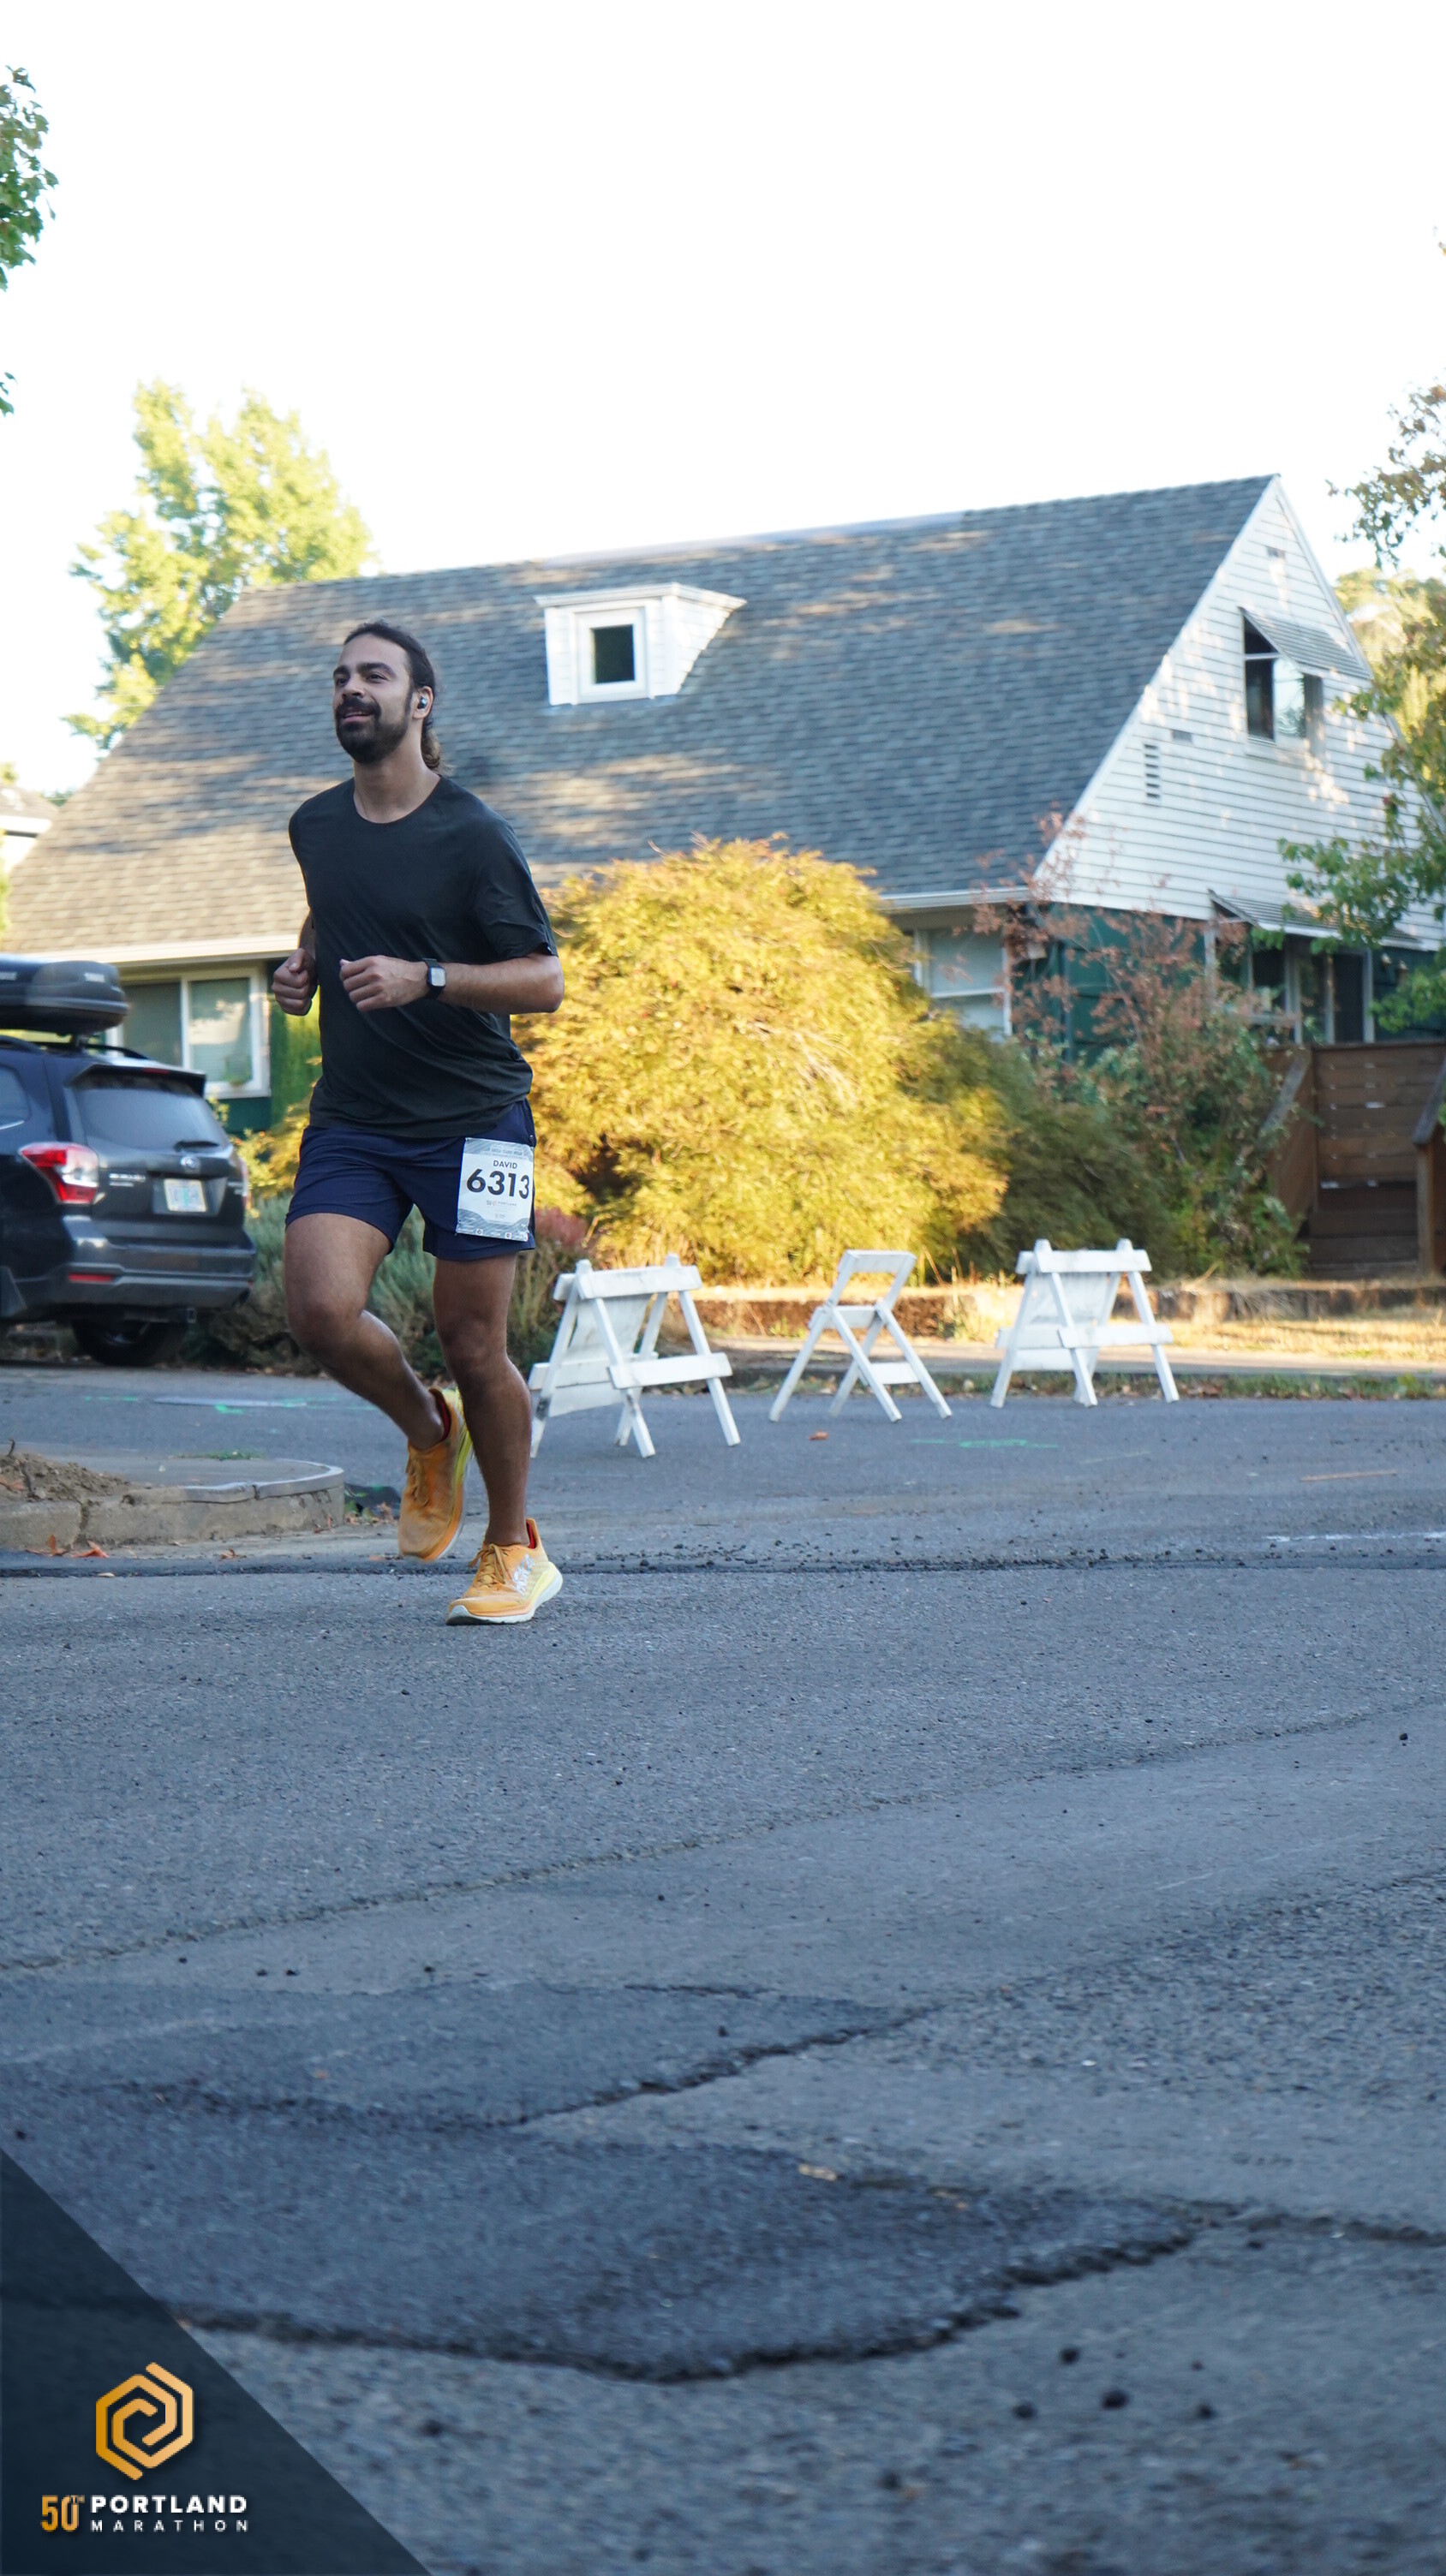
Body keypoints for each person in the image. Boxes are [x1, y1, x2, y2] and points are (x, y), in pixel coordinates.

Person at [272, 618, 565, 1625]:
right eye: (340, 676)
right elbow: (332, 905)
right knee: (319, 1310)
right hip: (355, 1118)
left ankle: (513, 1548)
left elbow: (544, 979)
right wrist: (305, 962)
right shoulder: (315, 824)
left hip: (477, 1122)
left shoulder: (472, 833)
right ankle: (430, 1431)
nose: (351, 688)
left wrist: (427, 977)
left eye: (374, 674)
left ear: (419, 701)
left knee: (474, 1342)